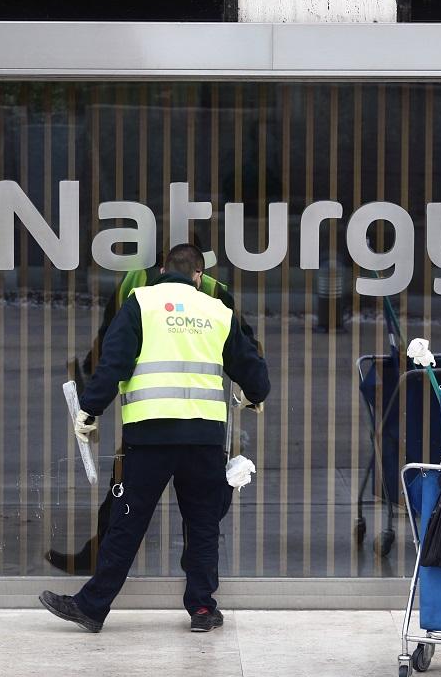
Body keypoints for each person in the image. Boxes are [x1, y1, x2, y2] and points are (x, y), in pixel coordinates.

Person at [40, 244, 270, 633]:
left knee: (127, 522)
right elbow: (254, 374)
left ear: (163, 270)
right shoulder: (217, 311)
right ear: (198, 275)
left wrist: (90, 409)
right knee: (202, 524)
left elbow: (114, 361)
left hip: (150, 437)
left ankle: (92, 608)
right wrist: (251, 396)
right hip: (204, 438)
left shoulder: (140, 303)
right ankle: (202, 610)